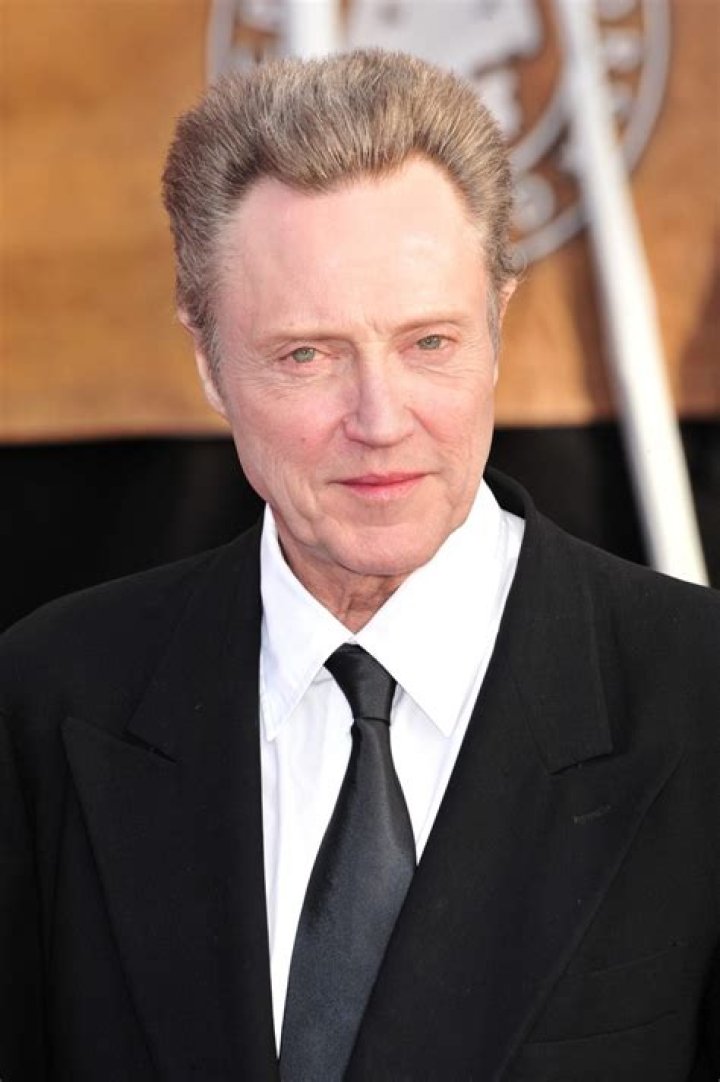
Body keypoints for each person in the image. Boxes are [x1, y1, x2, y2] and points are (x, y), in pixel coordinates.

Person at [1, 49, 718, 1082]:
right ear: (208, 362)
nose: (380, 421)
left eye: (429, 343)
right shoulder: (48, 703)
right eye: (308, 354)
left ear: (497, 325)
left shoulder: (699, 695)